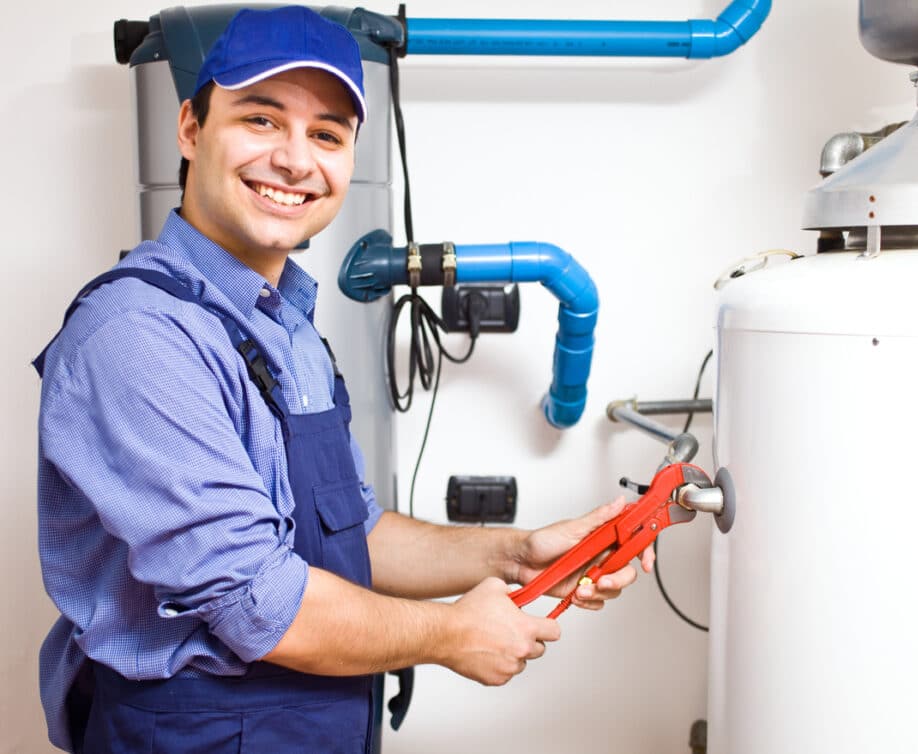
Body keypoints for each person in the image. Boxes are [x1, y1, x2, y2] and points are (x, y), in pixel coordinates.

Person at [35, 7, 652, 753]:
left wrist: (517, 554)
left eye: (326, 134)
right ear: (191, 130)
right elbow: (257, 600)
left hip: (315, 722)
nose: (296, 160)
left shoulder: (286, 324)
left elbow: (351, 532)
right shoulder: (138, 336)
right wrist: (451, 633)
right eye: (261, 120)